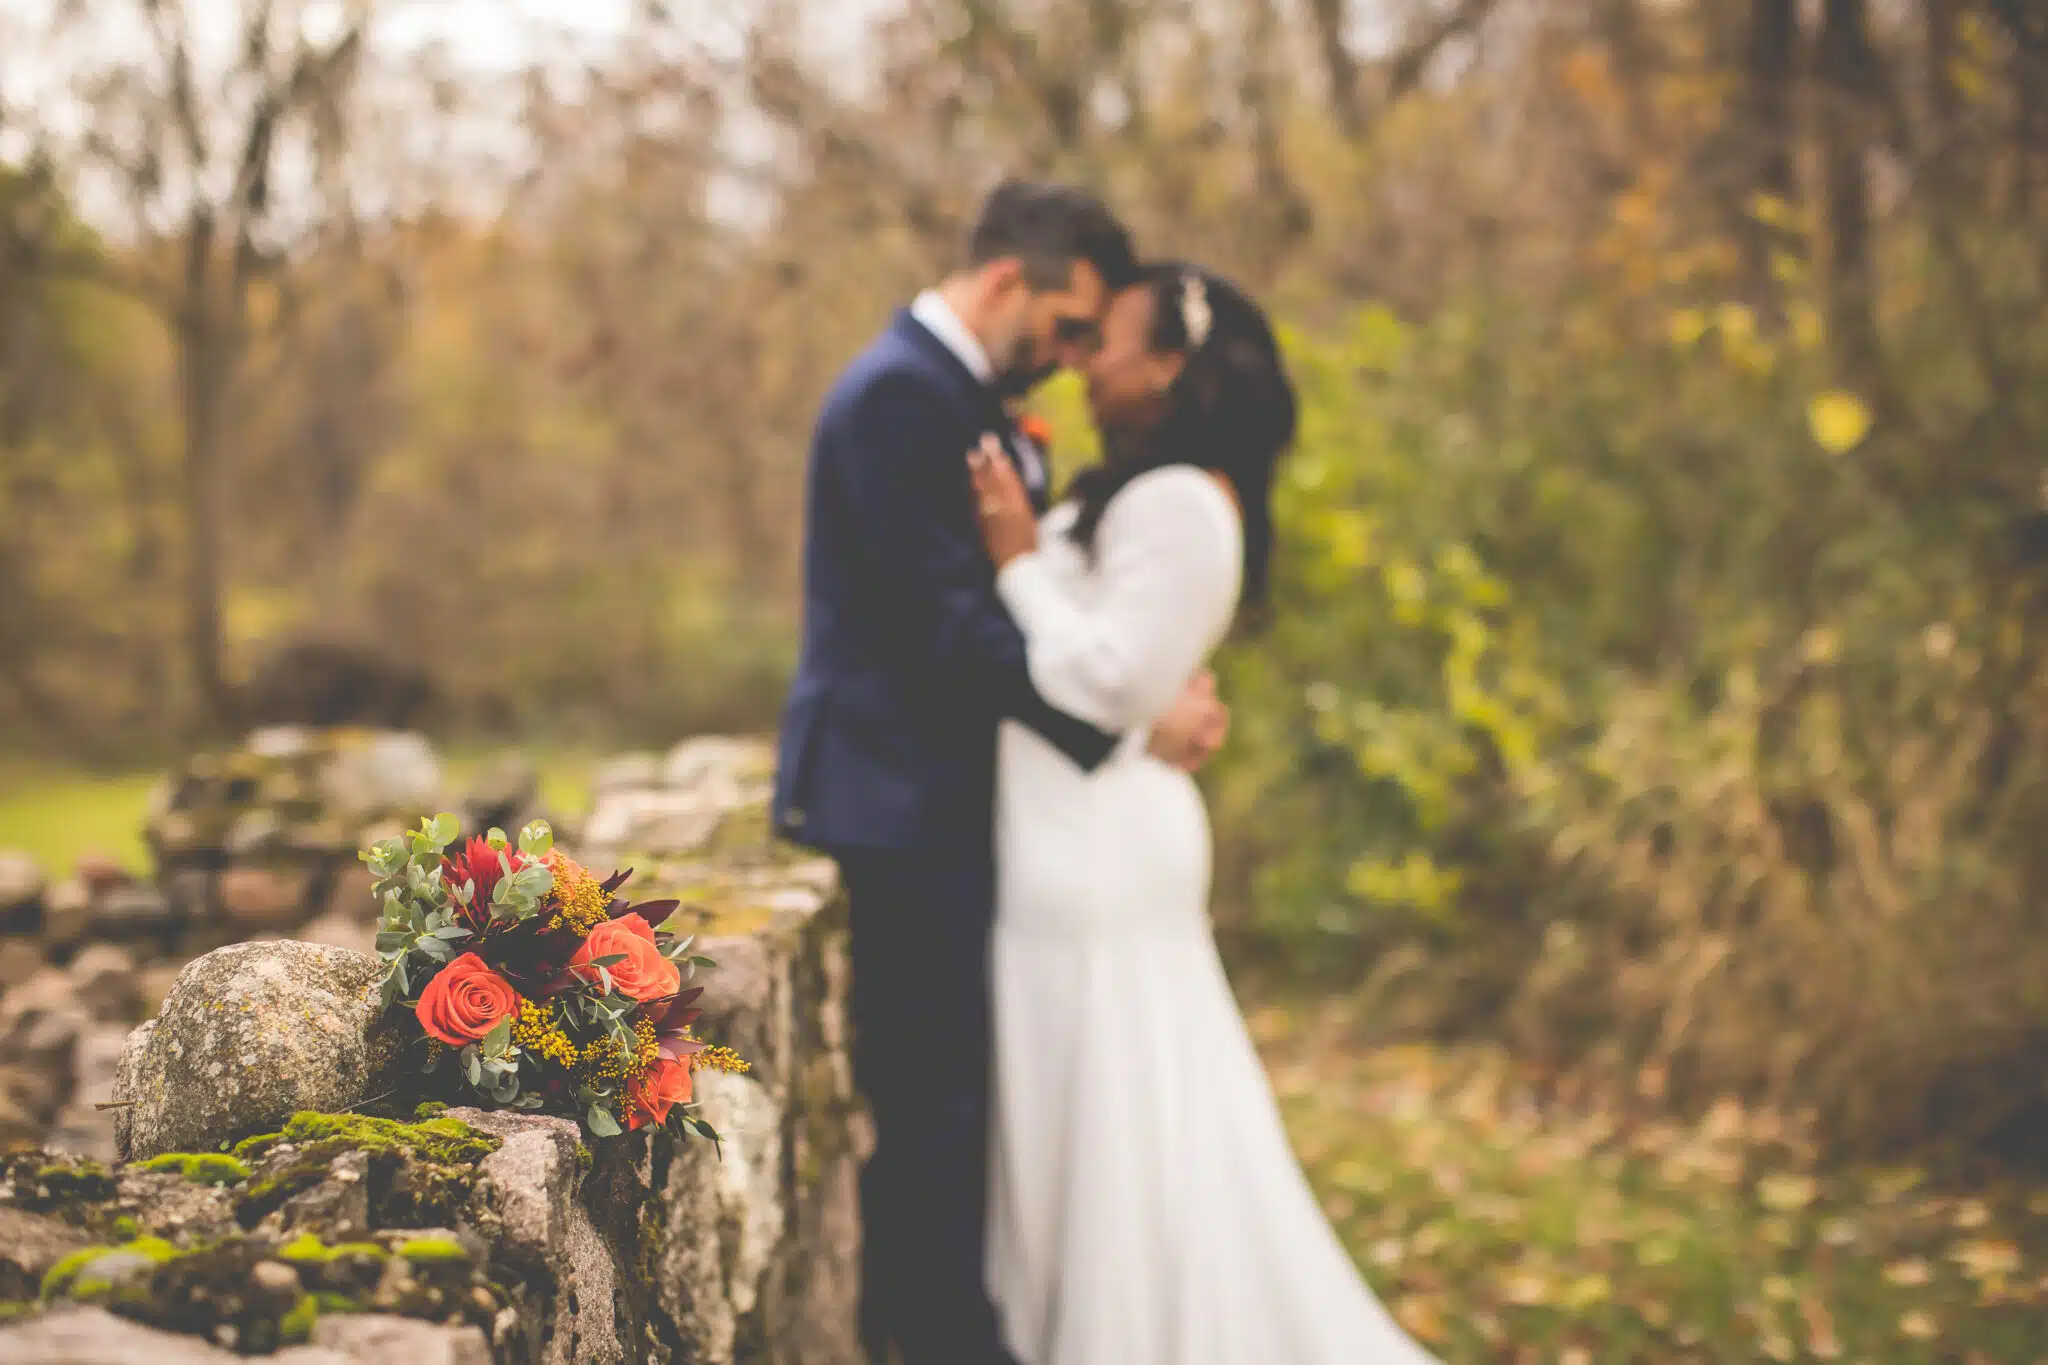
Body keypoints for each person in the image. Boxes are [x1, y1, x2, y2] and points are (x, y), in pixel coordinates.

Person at [772, 184, 1229, 1365]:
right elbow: (950, 634)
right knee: (934, 1118)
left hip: (946, 805)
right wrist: (1125, 728)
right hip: (898, 808)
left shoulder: (951, 399)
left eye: (1091, 340)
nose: (1074, 358)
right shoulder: (896, 401)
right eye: (1071, 326)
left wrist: (1131, 695)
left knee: (957, 1113)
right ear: (1005, 281)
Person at [968, 262, 1439, 1365]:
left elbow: (1103, 682)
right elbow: (1127, 687)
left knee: (1122, 1131)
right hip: (1066, 834)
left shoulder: (1184, 502)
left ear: (1168, 366)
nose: (1084, 361)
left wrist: (1018, 564)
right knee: (1086, 1126)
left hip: (1095, 858)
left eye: (1109, 343)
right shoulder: (1134, 488)